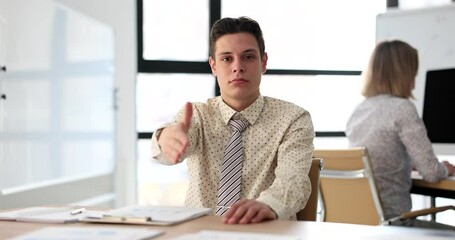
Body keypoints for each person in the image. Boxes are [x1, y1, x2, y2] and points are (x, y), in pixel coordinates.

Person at [151, 16, 315, 224]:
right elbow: (167, 146)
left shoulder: (293, 119)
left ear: (263, 62)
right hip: (199, 235)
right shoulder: (197, 116)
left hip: (265, 233)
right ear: (213, 66)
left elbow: (294, 183)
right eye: (227, 59)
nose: (238, 67)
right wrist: (164, 139)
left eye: (248, 57)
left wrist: (268, 204)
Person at [346, 40, 455, 229]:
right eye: (413, 73)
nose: (414, 82)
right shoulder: (402, 108)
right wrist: (446, 168)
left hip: (361, 224)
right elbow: (431, 173)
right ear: (404, 74)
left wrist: (404, 163)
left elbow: (376, 157)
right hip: (395, 223)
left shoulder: (360, 110)